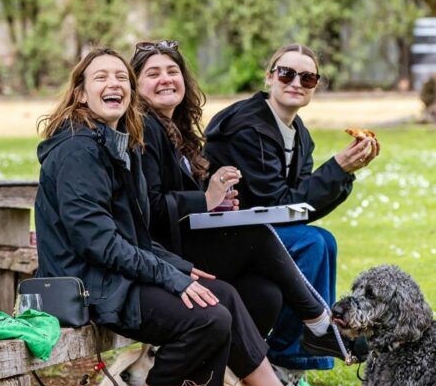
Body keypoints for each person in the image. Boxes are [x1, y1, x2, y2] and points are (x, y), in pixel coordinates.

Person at [33, 47, 347, 386]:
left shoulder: (113, 145)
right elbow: (98, 243)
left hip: (116, 273)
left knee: (223, 294)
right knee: (209, 316)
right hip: (92, 285)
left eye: (120, 78)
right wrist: (172, 275)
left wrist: (180, 268)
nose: (114, 84)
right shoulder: (78, 151)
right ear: (80, 93)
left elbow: (133, 235)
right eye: (101, 77)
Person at [129, 40, 348, 361]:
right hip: (163, 252)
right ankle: (317, 329)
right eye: (153, 74)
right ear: (269, 76)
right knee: (294, 239)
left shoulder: (176, 129)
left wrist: (214, 201)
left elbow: (300, 206)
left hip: (194, 237)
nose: (165, 79)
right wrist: (205, 199)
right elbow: (151, 208)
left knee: (267, 294)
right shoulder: (150, 128)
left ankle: (246, 373)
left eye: (172, 71)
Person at [204, 43, 379, 380]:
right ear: (270, 77)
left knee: (323, 241)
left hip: (257, 231)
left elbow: (299, 210)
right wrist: (337, 168)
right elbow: (275, 204)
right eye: (286, 73)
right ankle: (288, 356)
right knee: (311, 243)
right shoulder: (247, 127)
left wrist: (343, 173)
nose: (296, 82)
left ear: (315, 86)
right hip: (220, 237)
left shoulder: (299, 136)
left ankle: (301, 354)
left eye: (308, 78)